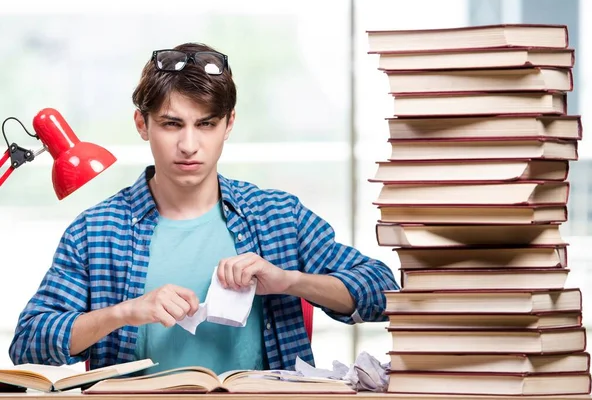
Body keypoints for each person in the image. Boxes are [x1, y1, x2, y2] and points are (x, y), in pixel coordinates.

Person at [9, 43, 399, 373]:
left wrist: (291, 281)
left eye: (206, 124)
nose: (189, 145)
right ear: (142, 125)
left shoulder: (277, 215)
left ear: (229, 124)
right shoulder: (96, 231)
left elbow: (383, 293)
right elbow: (30, 341)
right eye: (171, 124)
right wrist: (123, 313)